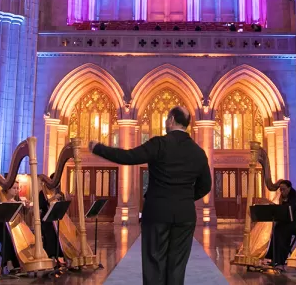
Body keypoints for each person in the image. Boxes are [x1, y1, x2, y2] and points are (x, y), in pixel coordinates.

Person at [89, 106, 212, 285]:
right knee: (177, 266)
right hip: (185, 214)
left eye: (166, 119)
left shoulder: (159, 144)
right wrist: (185, 197)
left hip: (157, 212)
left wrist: (98, 148)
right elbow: (206, 186)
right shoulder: (198, 152)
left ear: (171, 120)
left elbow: (128, 156)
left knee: (154, 264)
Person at [266, 180, 296, 266]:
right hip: (284, 222)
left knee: (282, 232)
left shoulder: (294, 196)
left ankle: (281, 259)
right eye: (280, 189)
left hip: (292, 223)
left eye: (283, 189)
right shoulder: (282, 196)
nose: (282, 191)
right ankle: (274, 258)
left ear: (289, 188)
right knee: (276, 229)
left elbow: (288, 209)